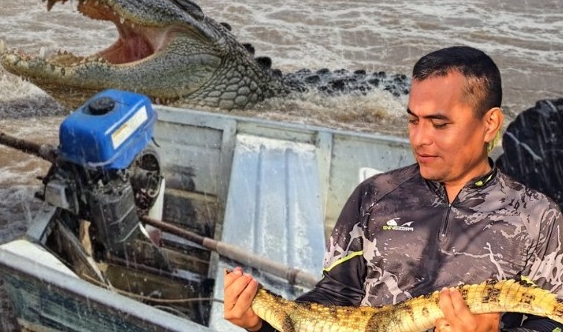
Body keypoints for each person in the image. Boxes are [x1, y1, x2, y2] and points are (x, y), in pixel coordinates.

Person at [223, 46, 563, 332]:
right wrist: (262, 322)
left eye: (439, 123)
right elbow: (333, 302)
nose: (420, 138)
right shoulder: (375, 195)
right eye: (414, 120)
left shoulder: (539, 218)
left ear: (490, 124)